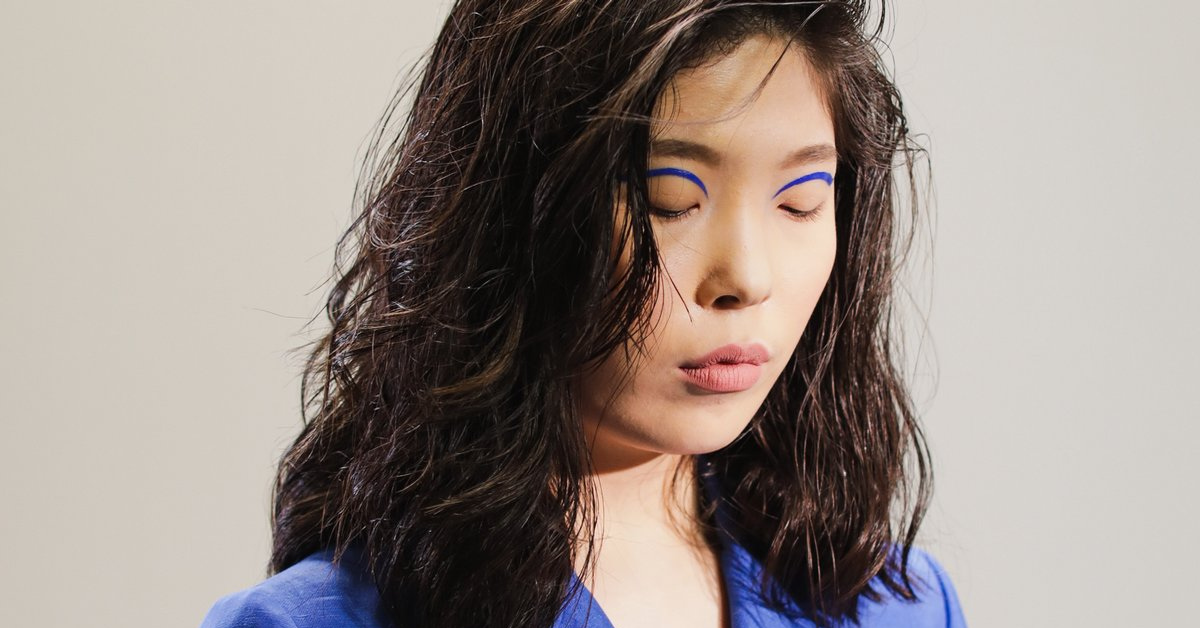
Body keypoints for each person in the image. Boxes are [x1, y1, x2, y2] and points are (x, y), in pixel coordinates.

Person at [200, 1, 966, 627]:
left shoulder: (901, 607)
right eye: (670, 201)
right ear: (515, 212)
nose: (747, 277)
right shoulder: (313, 622)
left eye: (800, 203)